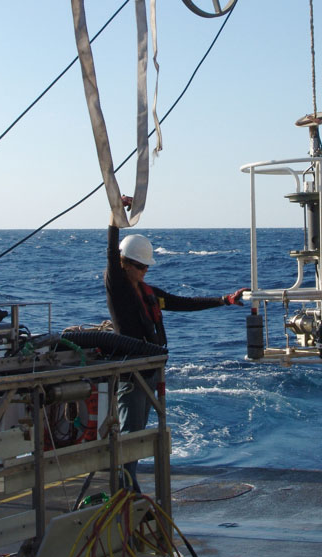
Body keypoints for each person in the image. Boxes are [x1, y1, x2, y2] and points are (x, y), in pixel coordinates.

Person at [105, 196, 247, 490]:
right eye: (141, 267)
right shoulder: (118, 287)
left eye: (146, 267)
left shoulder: (146, 291)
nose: (145, 271)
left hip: (150, 370)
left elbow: (182, 303)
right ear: (126, 265)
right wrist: (114, 217)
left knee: (140, 434)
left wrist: (223, 300)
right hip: (132, 374)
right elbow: (110, 254)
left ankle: (130, 486)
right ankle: (123, 489)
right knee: (130, 433)